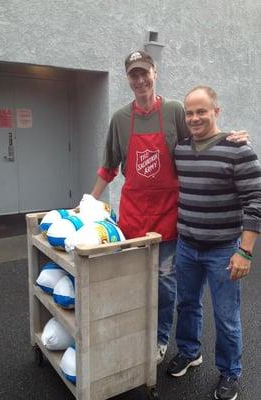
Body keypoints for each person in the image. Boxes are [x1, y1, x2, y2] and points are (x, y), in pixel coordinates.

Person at [90, 50, 248, 364]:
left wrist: (230, 137)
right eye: (133, 75)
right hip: (132, 221)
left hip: (168, 220)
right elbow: (108, 167)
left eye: (144, 73)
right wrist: (88, 205)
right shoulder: (120, 119)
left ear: (155, 73)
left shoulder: (175, 110)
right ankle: (134, 336)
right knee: (131, 284)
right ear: (128, 79)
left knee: (164, 288)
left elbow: (203, 135)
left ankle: (160, 340)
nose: (139, 80)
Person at [167, 86, 261, 400]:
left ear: (216, 112)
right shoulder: (180, 149)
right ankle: (190, 352)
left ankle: (230, 373)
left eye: (201, 111)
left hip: (223, 249)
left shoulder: (238, 150)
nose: (194, 118)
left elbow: (256, 201)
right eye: (189, 113)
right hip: (187, 245)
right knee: (187, 305)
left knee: (226, 315)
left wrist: (244, 250)